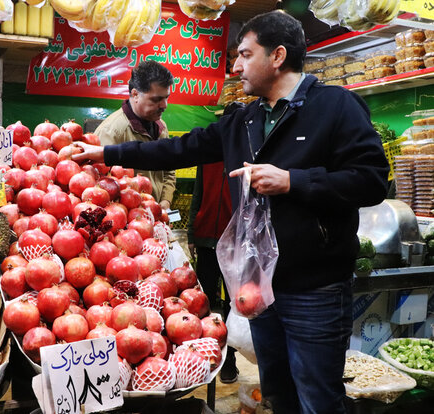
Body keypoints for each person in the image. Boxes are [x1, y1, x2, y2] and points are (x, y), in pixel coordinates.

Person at [72, 11, 389, 414]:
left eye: (244, 54)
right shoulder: (244, 117)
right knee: (278, 392)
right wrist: (106, 152)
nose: (235, 66)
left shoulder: (337, 106)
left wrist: (294, 181)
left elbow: (371, 180)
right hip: (259, 287)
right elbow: (177, 148)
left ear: (277, 56)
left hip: (315, 288)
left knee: (319, 395)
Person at [187, 102, 244, 384]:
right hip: (207, 238)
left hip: (234, 242)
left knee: (235, 303)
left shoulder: (248, 157)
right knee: (205, 303)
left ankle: (230, 360)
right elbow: (198, 194)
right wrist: (191, 232)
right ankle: (204, 355)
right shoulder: (208, 155)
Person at [94, 61, 176, 211]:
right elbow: (101, 186)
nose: (165, 105)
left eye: (166, 97)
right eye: (157, 99)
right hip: (126, 224)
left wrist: (165, 200)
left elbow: (169, 168)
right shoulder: (111, 131)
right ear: (135, 94)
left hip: (155, 215)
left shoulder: (161, 126)